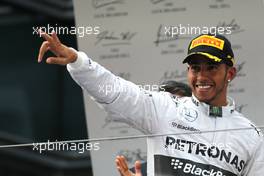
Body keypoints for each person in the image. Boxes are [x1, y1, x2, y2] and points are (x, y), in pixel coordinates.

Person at [38, 31, 264, 176]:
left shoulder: (252, 137)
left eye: (212, 67)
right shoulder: (165, 108)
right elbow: (116, 92)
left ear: (230, 73)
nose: (202, 76)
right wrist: (78, 62)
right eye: (195, 68)